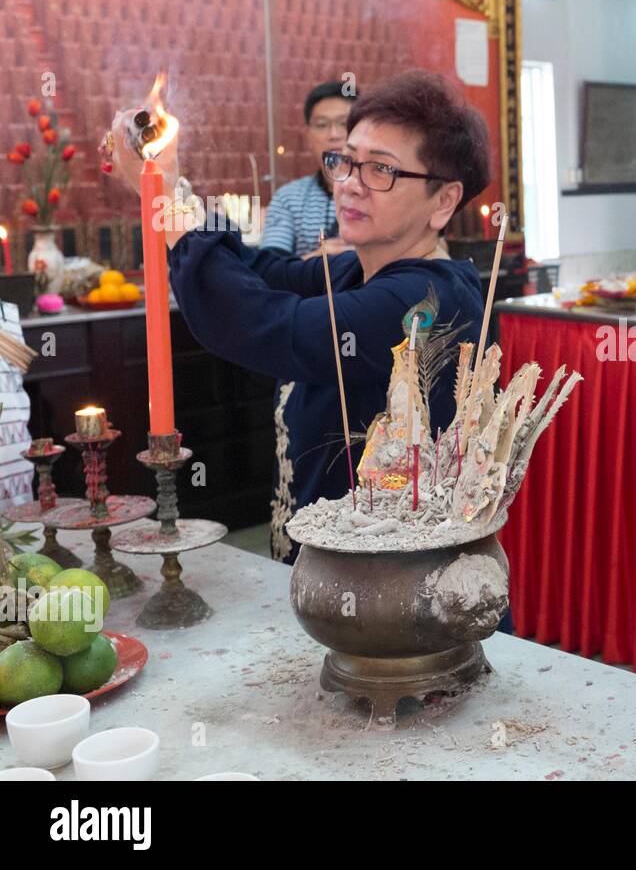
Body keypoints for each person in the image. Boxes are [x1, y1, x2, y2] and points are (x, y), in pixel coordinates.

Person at [110, 70, 487, 564]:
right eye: (345, 163)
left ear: (443, 201)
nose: (350, 185)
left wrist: (163, 203)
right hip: (327, 579)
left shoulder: (427, 302)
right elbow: (266, 273)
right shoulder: (360, 270)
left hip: (396, 596)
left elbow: (263, 322)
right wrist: (169, 185)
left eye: (381, 171)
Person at [259, 80, 357, 259]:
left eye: (344, 124)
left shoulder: (381, 192)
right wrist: (317, 259)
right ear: (308, 136)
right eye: (321, 125)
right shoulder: (288, 198)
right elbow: (269, 270)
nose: (334, 134)